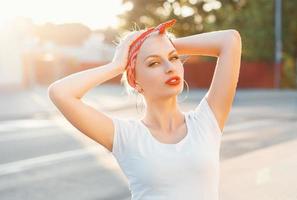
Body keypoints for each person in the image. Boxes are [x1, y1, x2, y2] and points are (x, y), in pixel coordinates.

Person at [48, 18, 242, 200]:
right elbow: (60, 93)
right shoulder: (126, 137)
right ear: (136, 82)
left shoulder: (206, 122)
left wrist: (162, 42)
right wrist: (117, 65)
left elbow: (230, 40)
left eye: (173, 58)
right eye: (154, 63)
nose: (170, 67)